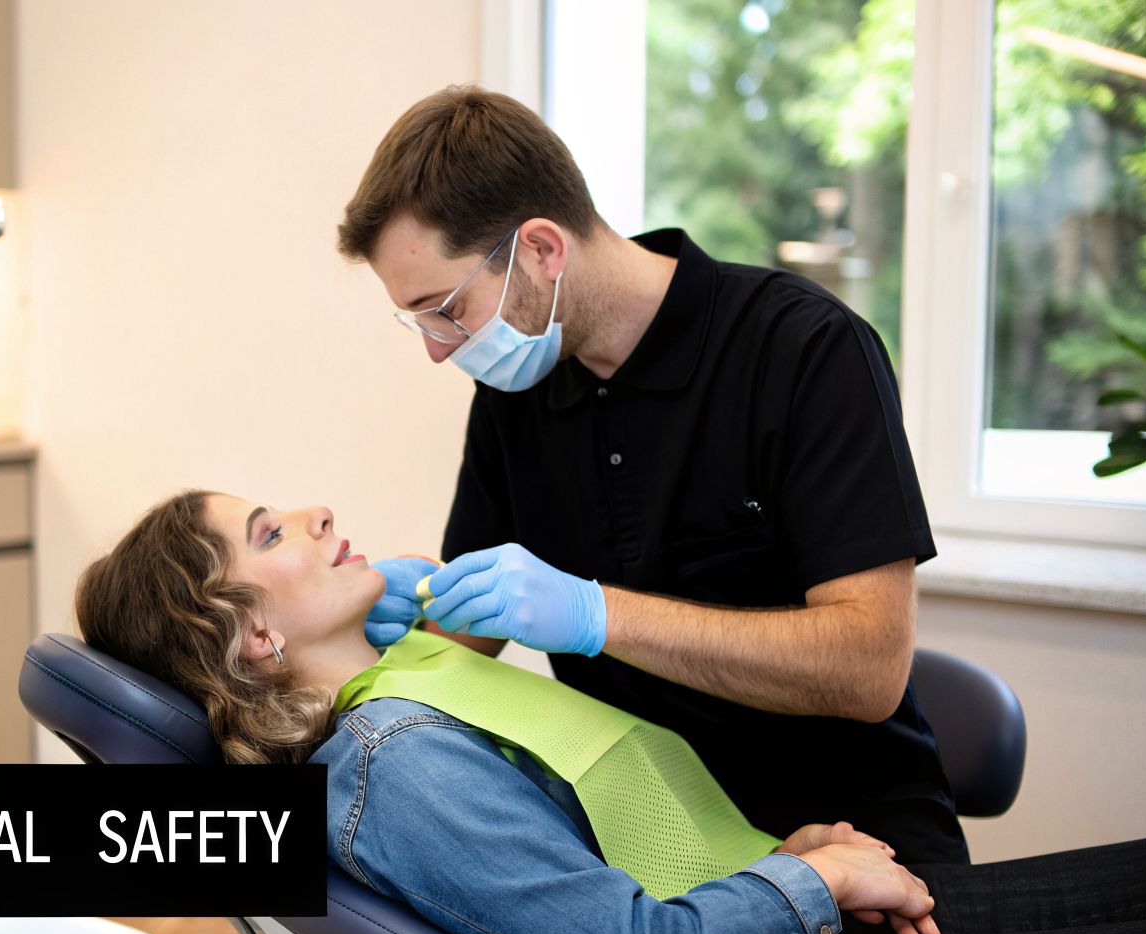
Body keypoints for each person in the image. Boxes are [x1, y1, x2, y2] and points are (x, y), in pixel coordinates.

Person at [73, 490, 1146, 934]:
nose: (320, 514)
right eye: (272, 532)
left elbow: (623, 870)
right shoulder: (396, 765)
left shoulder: (417, 694)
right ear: (251, 637)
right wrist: (811, 886)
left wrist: (778, 860)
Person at [337, 85, 967, 865]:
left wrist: (594, 614)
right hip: (650, 850)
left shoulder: (803, 350)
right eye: (421, 322)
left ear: (541, 248)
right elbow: (469, 634)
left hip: (856, 840)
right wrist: (382, 611)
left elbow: (869, 667)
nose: (439, 348)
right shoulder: (517, 396)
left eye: (446, 309)